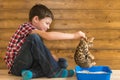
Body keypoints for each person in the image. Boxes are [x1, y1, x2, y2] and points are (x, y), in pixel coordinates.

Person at [4, 4, 86, 80]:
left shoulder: (37, 35)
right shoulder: (26, 27)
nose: (48, 27)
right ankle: (54, 72)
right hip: (17, 66)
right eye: (47, 23)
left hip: (28, 67)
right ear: (36, 19)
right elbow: (48, 36)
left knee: (62, 63)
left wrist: (50, 56)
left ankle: (31, 74)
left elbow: (39, 53)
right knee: (34, 38)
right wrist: (74, 36)